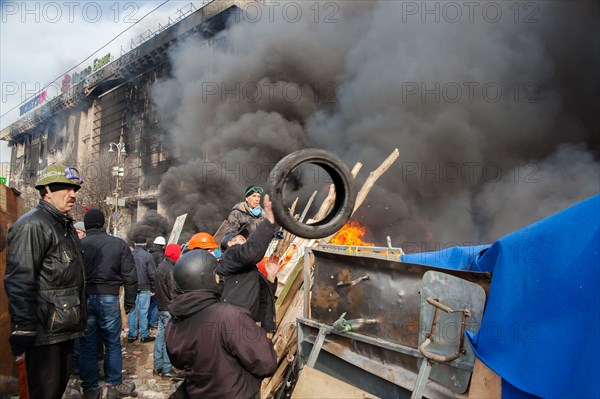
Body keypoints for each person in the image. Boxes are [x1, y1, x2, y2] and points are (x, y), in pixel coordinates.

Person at [4, 163, 86, 399]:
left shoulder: (64, 225)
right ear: (47, 190)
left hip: (63, 328)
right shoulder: (33, 225)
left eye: (75, 189)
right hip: (43, 333)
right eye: (66, 188)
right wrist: (24, 328)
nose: (73, 194)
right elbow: (20, 280)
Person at [166, 249, 277, 399]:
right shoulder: (229, 316)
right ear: (207, 279)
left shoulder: (173, 322)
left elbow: (178, 363)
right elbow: (266, 363)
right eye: (216, 275)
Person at [79, 208, 138, 399]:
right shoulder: (118, 244)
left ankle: (90, 388)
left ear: (86, 225)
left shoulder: (79, 245)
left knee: (87, 344)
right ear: (103, 223)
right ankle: (113, 384)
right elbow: (130, 276)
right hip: (110, 299)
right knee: (112, 343)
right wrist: (129, 301)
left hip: (85, 299)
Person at [219, 194, 279, 333]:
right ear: (229, 243)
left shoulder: (248, 267)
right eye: (241, 240)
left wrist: (270, 277)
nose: (244, 243)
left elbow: (264, 297)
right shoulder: (229, 257)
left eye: (245, 242)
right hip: (233, 326)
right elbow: (250, 253)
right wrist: (269, 222)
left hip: (247, 326)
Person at [153, 243, 185, 380]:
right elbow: (173, 290)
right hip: (168, 308)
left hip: (160, 306)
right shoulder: (171, 269)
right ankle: (167, 368)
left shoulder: (161, 266)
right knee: (168, 339)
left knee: (160, 336)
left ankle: (157, 365)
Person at [127, 240, 156, 343]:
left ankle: (131, 335)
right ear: (145, 244)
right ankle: (144, 335)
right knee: (144, 311)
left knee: (131, 310)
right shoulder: (148, 256)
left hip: (132, 287)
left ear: (134, 244)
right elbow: (152, 274)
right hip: (145, 287)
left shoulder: (129, 254)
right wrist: (153, 288)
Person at [148, 236, 166, 329]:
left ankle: (147, 321)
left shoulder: (148, 253)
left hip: (147, 281)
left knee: (148, 304)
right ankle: (153, 322)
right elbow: (160, 269)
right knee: (156, 302)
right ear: (163, 245)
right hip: (156, 281)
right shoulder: (160, 255)